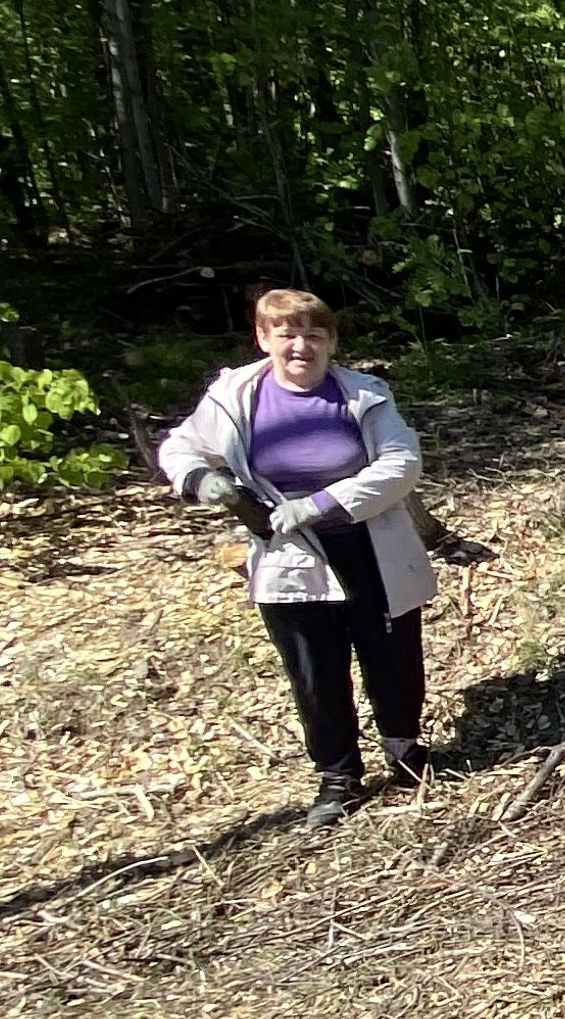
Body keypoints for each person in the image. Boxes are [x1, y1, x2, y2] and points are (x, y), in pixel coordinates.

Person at [156, 288, 440, 834]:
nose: (300, 347)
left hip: (367, 543)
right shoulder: (234, 397)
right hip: (286, 555)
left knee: (392, 651)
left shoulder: (364, 396)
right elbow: (179, 448)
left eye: (313, 334)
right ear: (264, 339)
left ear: (332, 341)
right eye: (286, 334)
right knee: (314, 667)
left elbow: (401, 464)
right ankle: (338, 777)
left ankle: (404, 748)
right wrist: (202, 479)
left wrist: (318, 504)